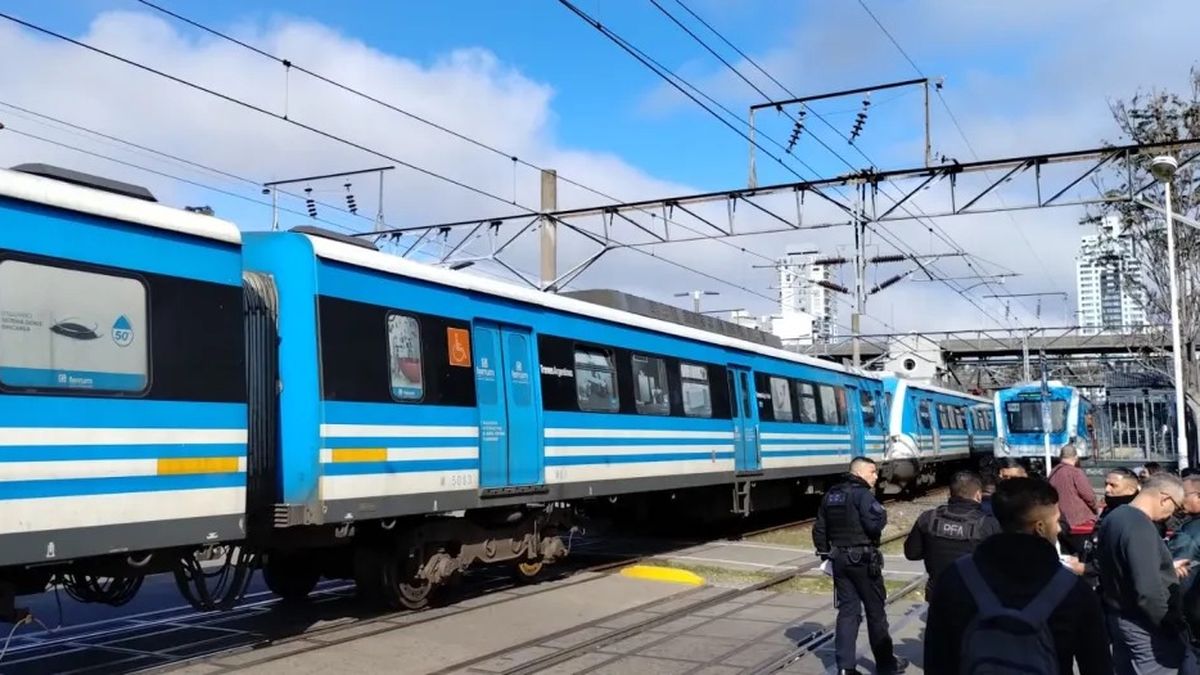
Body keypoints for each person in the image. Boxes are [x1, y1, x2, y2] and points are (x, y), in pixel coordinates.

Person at [923, 477, 1111, 674]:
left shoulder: (957, 577)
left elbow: (936, 659)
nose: (1058, 528)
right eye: (1056, 521)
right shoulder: (1072, 590)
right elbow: (1097, 665)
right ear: (1040, 527)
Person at [812, 457, 908, 675]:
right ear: (859, 472)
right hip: (863, 560)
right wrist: (882, 517)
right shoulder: (863, 495)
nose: (876, 476)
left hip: (839, 560)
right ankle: (885, 664)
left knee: (848, 613)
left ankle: (845, 668)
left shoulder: (831, 495)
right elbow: (873, 525)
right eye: (873, 472)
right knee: (876, 613)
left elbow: (819, 528)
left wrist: (825, 555)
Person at [1095, 473, 1197, 674]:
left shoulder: (1114, 517)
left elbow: (1121, 564)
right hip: (1145, 625)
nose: (1171, 515)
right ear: (1164, 498)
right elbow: (1148, 591)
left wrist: (1166, 568)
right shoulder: (1140, 526)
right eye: (1175, 508)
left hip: (1119, 616)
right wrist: (1170, 624)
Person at [903, 470, 1000, 599]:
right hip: (975, 599)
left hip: (938, 595)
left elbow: (912, 553)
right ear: (978, 495)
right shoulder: (990, 524)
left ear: (950, 493)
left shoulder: (928, 518)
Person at [1048, 444, 1099, 556]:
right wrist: (1096, 509)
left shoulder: (1052, 473)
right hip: (1079, 521)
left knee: (1066, 554)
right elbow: (1088, 495)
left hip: (1060, 521)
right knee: (1084, 554)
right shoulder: (1075, 472)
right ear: (1075, 457)